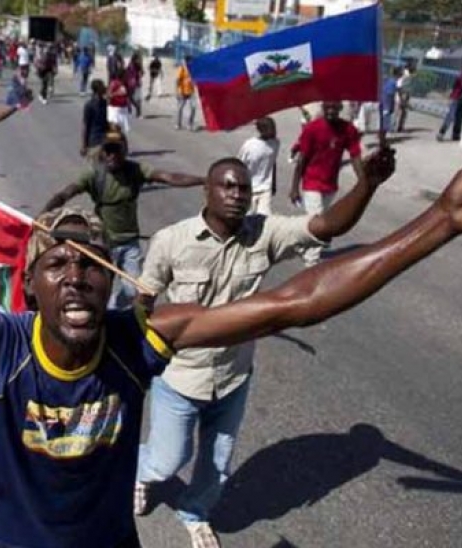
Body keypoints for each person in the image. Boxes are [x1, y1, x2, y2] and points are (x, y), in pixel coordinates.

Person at [0, 153, 462, 548]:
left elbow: (295, 302)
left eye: (91, 260)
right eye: (56, 262)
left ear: (113, 280)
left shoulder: (139, 340)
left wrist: (440, 222)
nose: (76, 273)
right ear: (27, 285)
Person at [134, 147, 395, 546]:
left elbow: (327, 226)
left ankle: (195, 512)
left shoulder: (264, 233)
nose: (237, 194)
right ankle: (141, 473)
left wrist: (367, 185)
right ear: (207, 190)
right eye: (227, 186)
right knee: (167, 459)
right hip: (181, 376)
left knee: (217, 464)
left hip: (234, 376)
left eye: (244, 187)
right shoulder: (171, 241)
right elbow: (144, 301)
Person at [42, 131, 205, 310]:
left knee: (132, 290)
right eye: (108, 151)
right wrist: (44, 214)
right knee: (99, 288)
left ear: (125, 151)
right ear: (102, 152)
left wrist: (205, 180)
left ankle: (115, 314)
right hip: (104, 243)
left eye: (116, 151)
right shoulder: (94, 175)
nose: (111, 156)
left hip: (130, 243)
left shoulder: (135, 170)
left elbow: (170, 178)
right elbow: (66, 193)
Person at [289, 101, 363, 266]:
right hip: (311, 182)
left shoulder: (348, 130)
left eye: (334, 108)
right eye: (327, 108)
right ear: (322, 108)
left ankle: (303, 243)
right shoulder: (312, 128)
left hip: (330, 184)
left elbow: (355, 155)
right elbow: (303, 159)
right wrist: (294, 187)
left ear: (340, 109)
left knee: (321, 219)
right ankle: (311, 263)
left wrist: (362, 180)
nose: (330, 111)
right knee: (318, 221)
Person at [237, 117, 280, 215]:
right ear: (261, 130)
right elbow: (239, 165)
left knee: (264, 217)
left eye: (274, 128)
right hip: (249, 188)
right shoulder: (249, 145)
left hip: (265, 188)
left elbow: (273, 162)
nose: (274, 132)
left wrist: (273, 183)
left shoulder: (275, 143)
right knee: (247, 216)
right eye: (271, 129)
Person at [437, 65, 462, 142]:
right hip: (457, 99)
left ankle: (456, 135)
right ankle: (441, 133)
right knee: (451, 116)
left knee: (459, 118)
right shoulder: (461, 77)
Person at [81, 79, 109, 158]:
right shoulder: (89, 105)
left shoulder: (105, 103)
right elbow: (85, 125)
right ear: (97, 91)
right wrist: (84, 145)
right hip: (95, 139)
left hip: (106, 138)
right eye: (102, 87)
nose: (105, 89)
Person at [107, 70, 131, 135]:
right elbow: (109, 95)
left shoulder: (126, 83)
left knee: (122, 129)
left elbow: (127, 95)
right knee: (114, 127)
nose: (127, 76)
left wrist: (129, 106)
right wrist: (117, 93)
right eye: (126, 75)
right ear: (122, 75)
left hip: (123, 108)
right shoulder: (114, 83)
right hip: (114, 108)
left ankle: (120, 141)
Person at [176, 55, 196, 131]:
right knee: (180, 108)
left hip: (191, 92)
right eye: (190, 61)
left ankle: (189, 124)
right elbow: (177, 80)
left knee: (193, 107)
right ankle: (178, 124)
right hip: (183, 91)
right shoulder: (182, 69)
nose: (191, 63)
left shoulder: (193, 69)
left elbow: (195, 80)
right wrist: (177, 91)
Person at [126, 53, 144, 118]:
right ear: (135, 59)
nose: (139, 60)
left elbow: (142, 74)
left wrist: (141, 71)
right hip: (131, 84)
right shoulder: (131, 65)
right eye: (138, 59)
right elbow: (128, 74)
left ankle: (138, 113)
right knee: (129, 98)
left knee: (137, 99)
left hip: (137, 84)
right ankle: (132, 110)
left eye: (140, 59)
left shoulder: (138, 65)